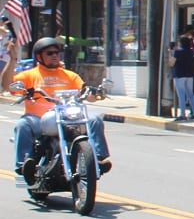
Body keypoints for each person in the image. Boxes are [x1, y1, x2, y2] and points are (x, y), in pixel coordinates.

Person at [13, 36, 111, 185]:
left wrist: (96, 94)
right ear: (39, 57)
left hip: (68, 117)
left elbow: (85, 92)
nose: (54, 56)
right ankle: (24, 166)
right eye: (50, 53)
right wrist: (12, 61)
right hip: (39, 119)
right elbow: (10, 86)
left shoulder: (70, 75)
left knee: (94, 119)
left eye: (56, 53)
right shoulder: (29, 75)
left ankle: (98, 159)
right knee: (22, 125)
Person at [171, 34, 194, 120]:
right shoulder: (191, 51)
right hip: (189, 75)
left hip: (179, 75)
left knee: (181, 95)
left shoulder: (177, 52)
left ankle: (182, 114)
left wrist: (171, 53)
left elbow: (171, 63)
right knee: (191, 95)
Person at [0, 19, 15, 92]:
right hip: (2, 56)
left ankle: (3, 89)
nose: (3, 26)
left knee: (2, 73)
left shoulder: (8, 33)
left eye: (4, 25)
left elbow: (2, 31)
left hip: (5, 57)